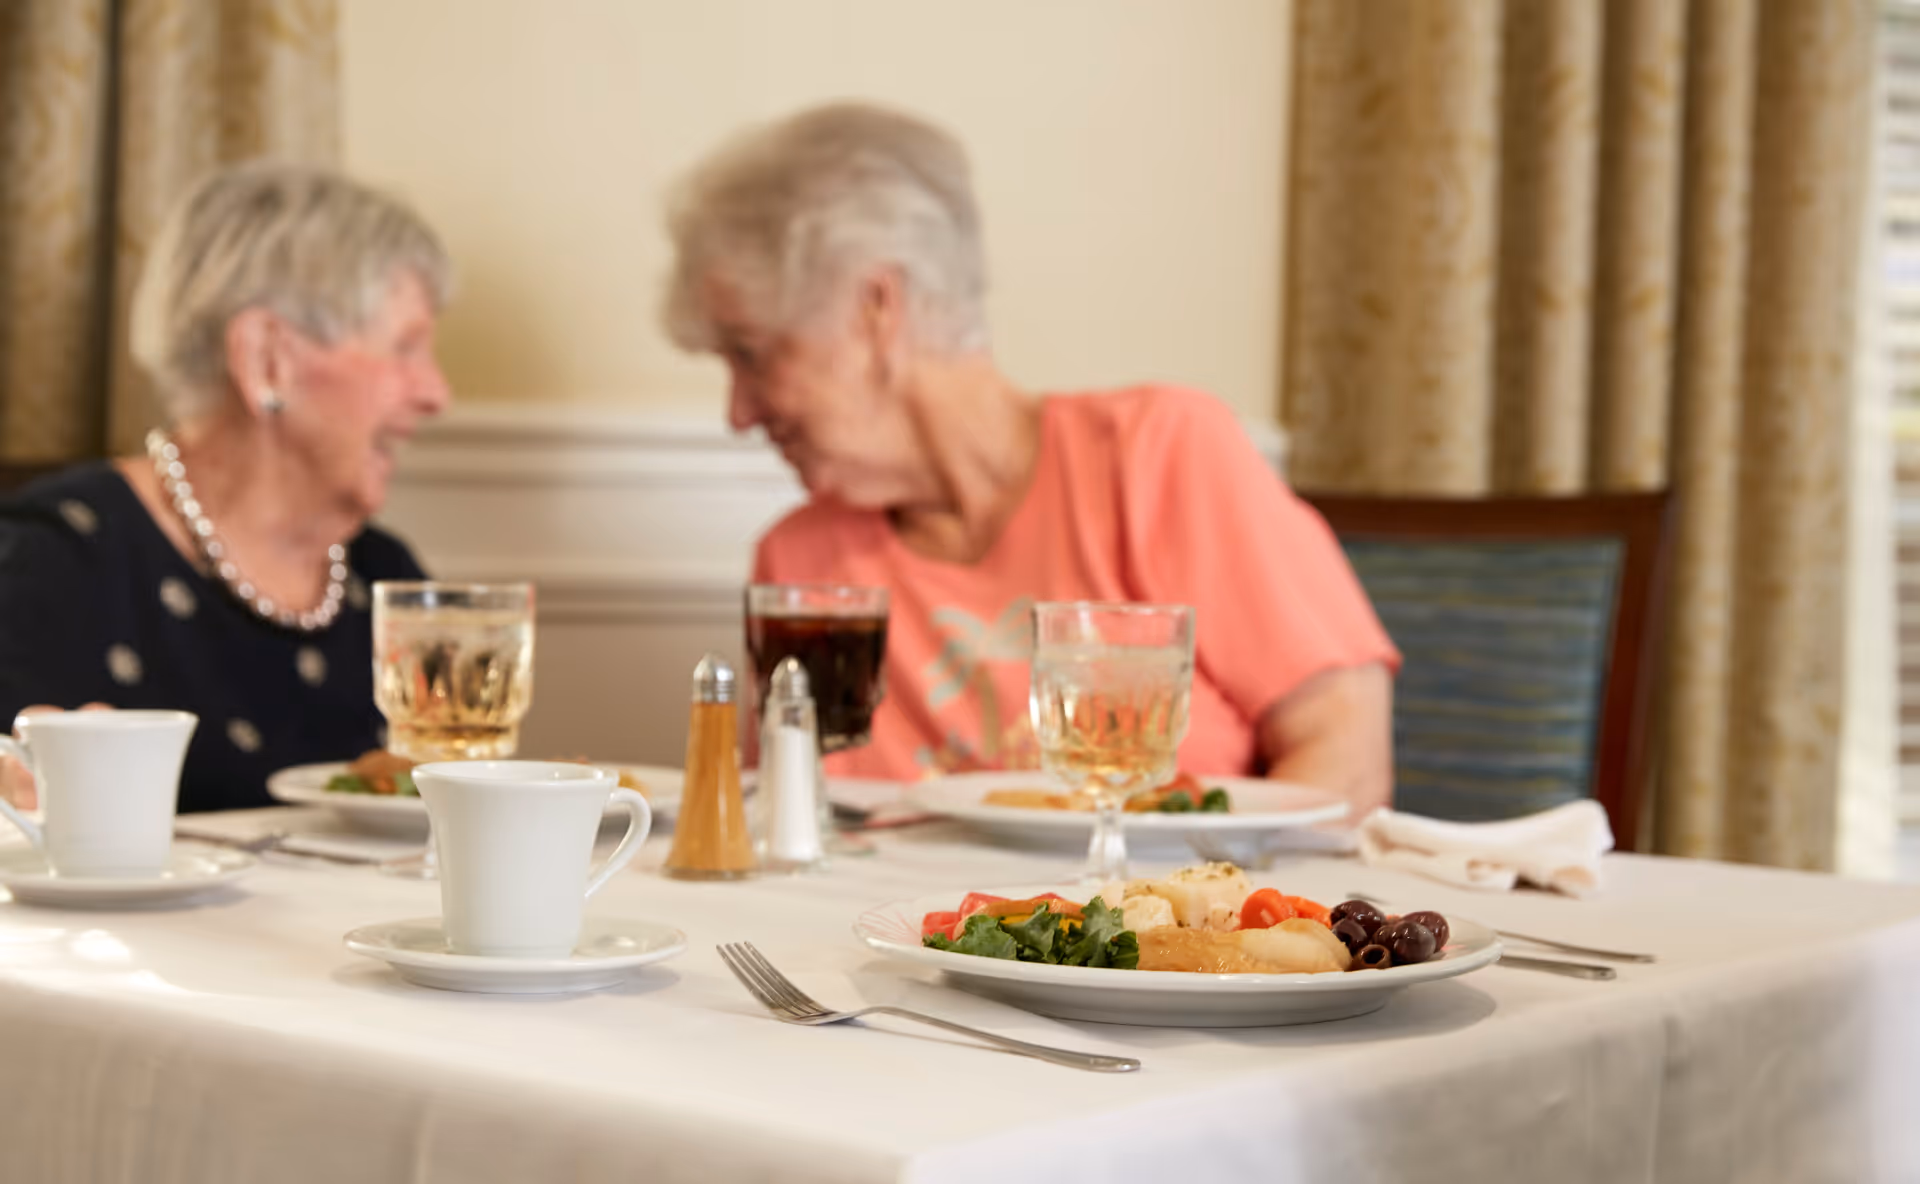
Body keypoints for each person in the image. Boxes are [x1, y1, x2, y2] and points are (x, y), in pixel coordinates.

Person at [661, 102, 1400, 814]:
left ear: (876, 311)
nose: (739, 412)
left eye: (751, 355)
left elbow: (1345, 757)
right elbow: (773, 830)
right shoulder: (801, 568)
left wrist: (1187, 925)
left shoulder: (1156, 455)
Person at [0, 162, 452, 813]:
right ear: (266, 357)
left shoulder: (389, 578)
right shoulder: (49, 566)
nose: (438, 394)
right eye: (406, 347)